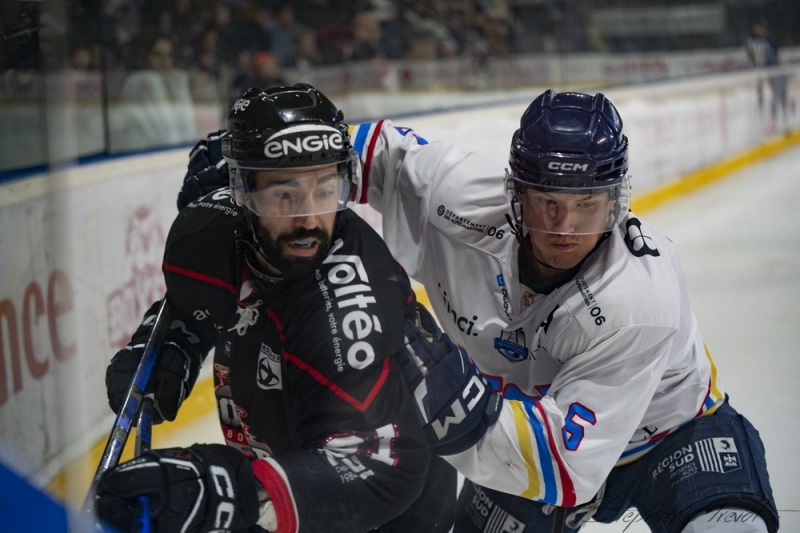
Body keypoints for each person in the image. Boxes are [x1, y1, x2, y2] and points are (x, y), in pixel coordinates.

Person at [347, 90, 780, 532]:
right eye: (547, 202)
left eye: (586, 205)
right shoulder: (457, 195)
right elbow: (371, 152)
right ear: (516, 194)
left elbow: (566, 467)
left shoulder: (639, 298)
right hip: (525, 422)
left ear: (614, 202)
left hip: (668, 432)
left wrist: (453, 408)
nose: (565, 228)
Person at [95, 84, 457, 533]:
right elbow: (199, 299)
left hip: (381, 514)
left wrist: (232, 489)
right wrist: (175, 341)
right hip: (291, 459)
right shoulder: (207, 237)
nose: (308, 219)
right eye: (284, 194)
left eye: (325, 190)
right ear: (240, 193)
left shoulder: (345, 309)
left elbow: (383, 466)